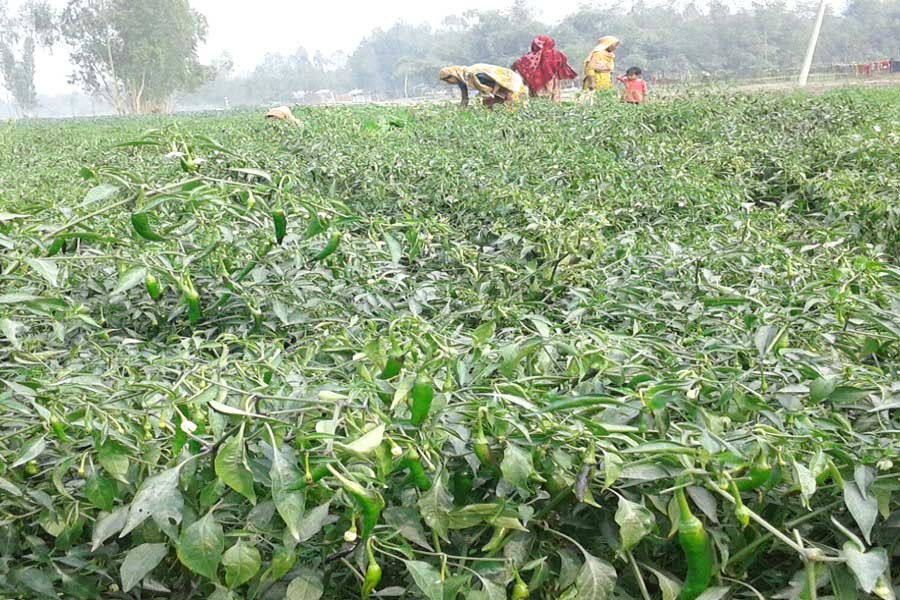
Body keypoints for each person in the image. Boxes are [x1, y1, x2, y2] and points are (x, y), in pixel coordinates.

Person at [513, 35, 578, 101]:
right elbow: (563, 64)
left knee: (537, 102)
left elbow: (518, 64)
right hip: (552, 82)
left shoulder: (530, 56)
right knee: (553, 101)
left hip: (536, 83)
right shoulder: (556, 54)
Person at [439, 64, 526, 109]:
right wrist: (460, 112)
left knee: (511, 106)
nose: (448, 83)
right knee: (487, 104)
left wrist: (493, 94)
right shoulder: (462, 81)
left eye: (447, 80)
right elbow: (465, 99)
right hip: (496, 90)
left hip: (509, 82)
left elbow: (498, 80)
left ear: (452, 75)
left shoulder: (477, 75)